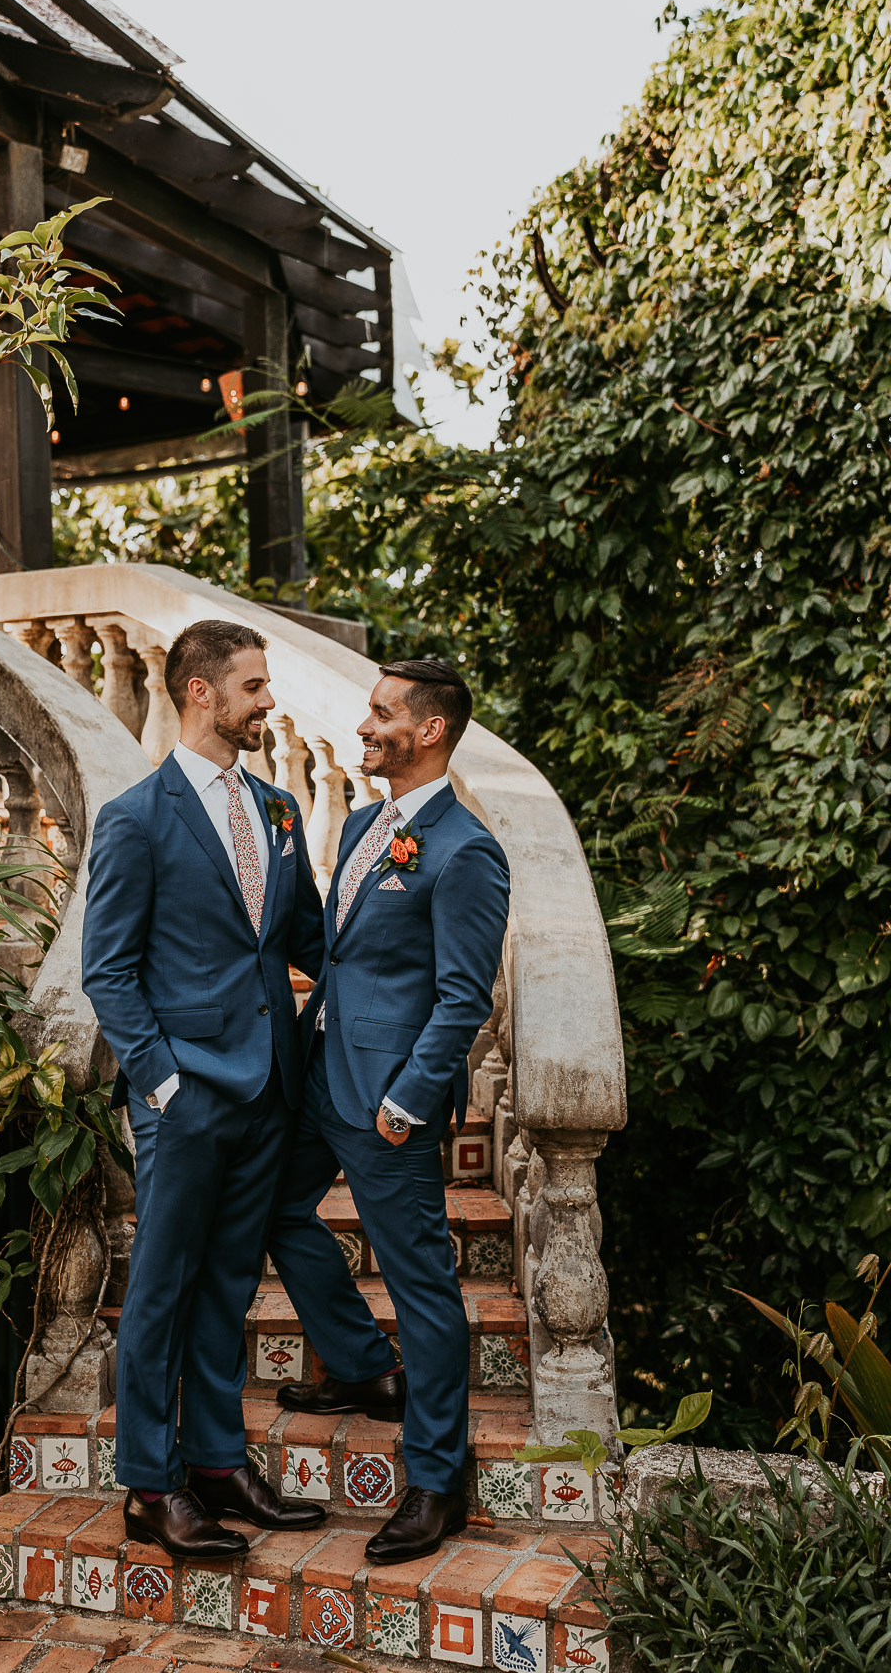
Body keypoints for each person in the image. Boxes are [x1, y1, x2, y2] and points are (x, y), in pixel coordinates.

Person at [82, 618, 327, 1559]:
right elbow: (110, 971)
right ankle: (150, 1485)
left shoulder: (277, 808)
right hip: (186, 1097)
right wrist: (164, 1084)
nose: (268, 702)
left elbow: (302, 938)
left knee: (230, 1286)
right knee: (160, 1293)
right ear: (200, 693)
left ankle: (219, 1463)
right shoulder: (136, 819)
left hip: (270, 1089)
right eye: (255, 687)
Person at [267, 659, 510, 1565]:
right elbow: (338, 952)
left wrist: (410, 1102)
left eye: (381, 713)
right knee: (273, 1209)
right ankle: (365, 1367)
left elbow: (462, 999)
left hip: (386, 1104)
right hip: (318, 1074)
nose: (364, 725)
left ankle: (437, 1479)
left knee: (423, 1285)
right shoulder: (369, 822)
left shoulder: (465, 851)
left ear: (431, 730)